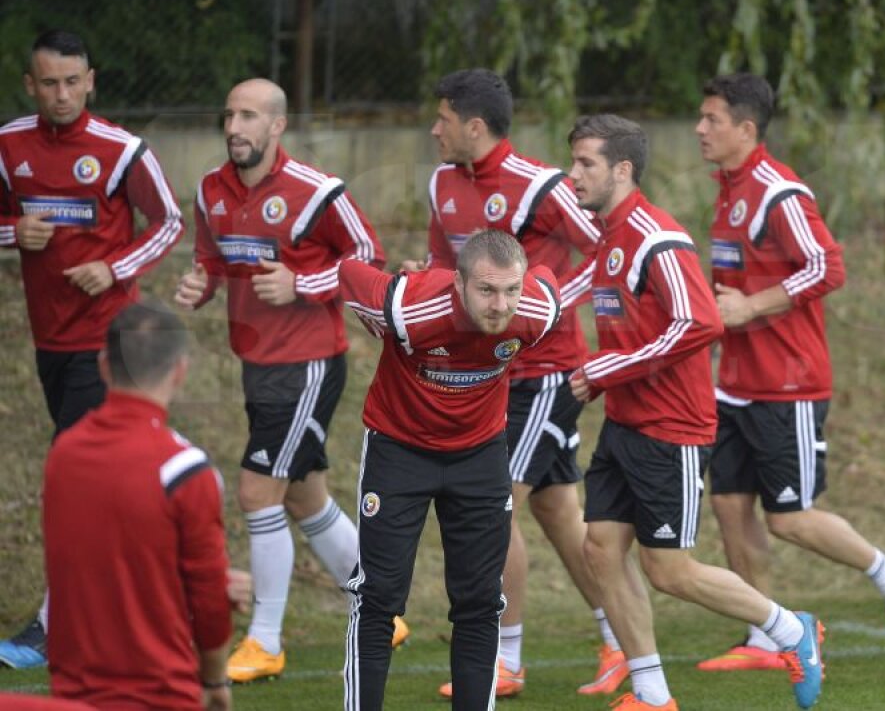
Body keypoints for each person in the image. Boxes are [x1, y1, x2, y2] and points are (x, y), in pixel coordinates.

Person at [563, 114, 824, 711]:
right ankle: (653, 695)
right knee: (600, 547)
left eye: (586, 164)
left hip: (670, 431)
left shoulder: (658, 237)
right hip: (626, 425)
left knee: (670, 571)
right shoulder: (610, 238)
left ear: (622, 170)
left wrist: (607, 369)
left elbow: (699, 323)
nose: (574, 174)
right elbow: (568, 299)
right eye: (574, 162)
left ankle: (789, 629)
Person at [694, 73, 885, 667]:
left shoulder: (778, 191)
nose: (700, 129)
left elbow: (828, 266)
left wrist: (751, 304)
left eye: (711, 120)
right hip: (735, 385)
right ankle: (766, 636)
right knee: (728, 506)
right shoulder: (728, 188)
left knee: (791, 518)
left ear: (746, 129)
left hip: (788, 383)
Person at [407, 69, 622, 700]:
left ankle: (507, 658)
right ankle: (619, 639)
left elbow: (608, 246)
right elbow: (446, 267)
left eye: (442, 118)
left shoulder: (538, 185)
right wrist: (426, 280)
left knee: (491, 502)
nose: (433, 128)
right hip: (489, 373)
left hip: (546, 373)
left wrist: (548, 304)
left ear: (473, 126)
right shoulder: (442, 182)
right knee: (558, 512)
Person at [174, 78, 396, 682]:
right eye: (229, 115)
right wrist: (202, 286)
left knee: (256, 493)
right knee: (303, 495)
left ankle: (265, 640)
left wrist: (303, 284)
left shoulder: (318, 192)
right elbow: (213, 260)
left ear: (276, 127)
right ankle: (384, 607)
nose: (234, 127)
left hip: (308, 364)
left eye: (248, 116)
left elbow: (368, 259)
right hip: (256, 360)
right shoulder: (210, 190)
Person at [0, 30, 183, 668]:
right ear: (30, 84)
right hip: (49, 339)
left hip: (107, 339)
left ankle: (57, 624)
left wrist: (115, 268)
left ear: (91, 81)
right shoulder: (9, 145)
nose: (61, 94)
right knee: (107, 484)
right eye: (48, 83)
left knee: (69, 475)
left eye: (72, 82)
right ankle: (144, 605)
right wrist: (11, 231)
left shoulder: (122, 150)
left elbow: (169, 222)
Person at [339, 229, 562, 711]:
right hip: (399, 453)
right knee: (377, 597)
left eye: (511, 290)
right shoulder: (406, 307)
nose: (500, 305)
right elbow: (349, 273)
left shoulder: (538, 311)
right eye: (486, 290)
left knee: (481, 603)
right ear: (458, 284)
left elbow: (546, 280)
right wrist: (378, 314)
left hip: (479, 457)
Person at [42, 301, 244, 710]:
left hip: (71, 696)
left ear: (103, 365)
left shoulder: (63, 456)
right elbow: (208, 601)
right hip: (160, 694)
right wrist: (215, 679)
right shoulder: (185, 470)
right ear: (180, 372)